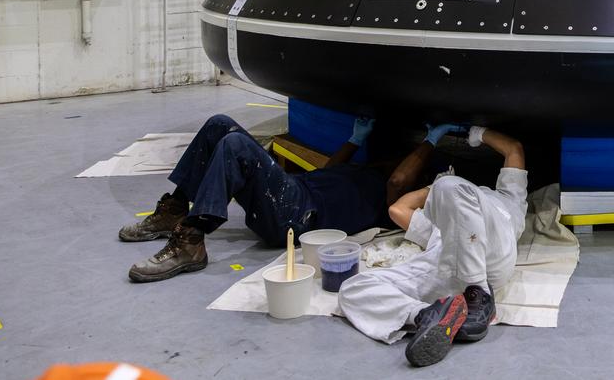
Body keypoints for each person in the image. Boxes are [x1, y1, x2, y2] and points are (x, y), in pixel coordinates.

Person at [338, 124, 527, 368]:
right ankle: (425, 315)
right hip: (442, 266)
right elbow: (397, 209)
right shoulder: (439, 219)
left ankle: (479, 295)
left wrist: (477, 132)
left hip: (489, 259)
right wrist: (436, 195)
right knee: (352, 288)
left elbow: (514, 149)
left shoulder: (509, 197)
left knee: (449, 187)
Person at [121, 113, 383, 283]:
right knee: (219, 125)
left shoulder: (394, 189)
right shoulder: (366, 169)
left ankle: (191, 240)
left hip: (297, 217)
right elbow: (328, 172)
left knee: (236, 145)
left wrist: (426, 147)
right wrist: (355, 140)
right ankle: (174, 211)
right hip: (296, 191)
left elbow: (399, 180)